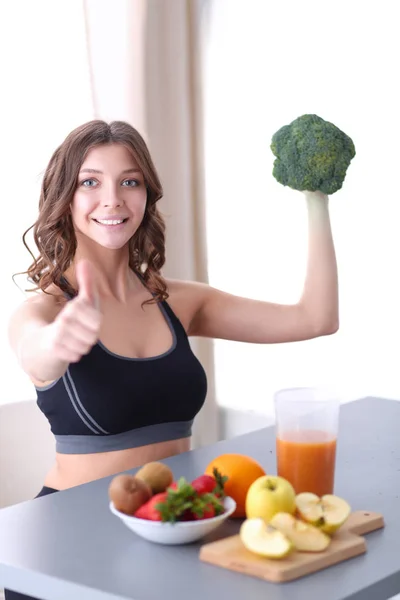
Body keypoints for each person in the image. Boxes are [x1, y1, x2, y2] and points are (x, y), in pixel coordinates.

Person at [5, 119, 339, 600]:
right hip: (68, 541)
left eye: (130, 181)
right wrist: (59, 343)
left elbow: (315, 318)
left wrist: (317, 199)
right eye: (90, 182)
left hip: (173, 529)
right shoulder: (43, 312)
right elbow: (36, 355)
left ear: (147, 194)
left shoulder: (180, 302)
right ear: (65, 197)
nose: (113, 199)